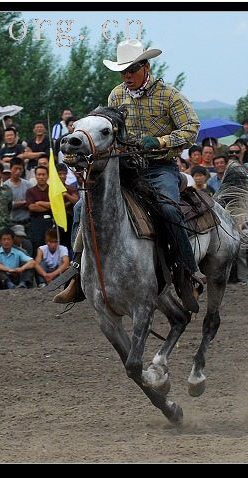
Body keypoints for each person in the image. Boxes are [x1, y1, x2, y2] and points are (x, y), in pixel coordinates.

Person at [56, 39, 204, 311]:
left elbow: (191, 129)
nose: (127, 76)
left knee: (169, 210)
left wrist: (158, 142)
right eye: (123, 71)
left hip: (160, 167)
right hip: (124, 167)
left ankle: (188, 273)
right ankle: (78, 275)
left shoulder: (170, 96)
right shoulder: (116, 96)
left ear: (145, 67)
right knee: (80, 207)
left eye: (132, 69)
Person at [26, 164, 56, 258]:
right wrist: (49, 205)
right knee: (37, 246)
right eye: (39, 175)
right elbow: (32, 207)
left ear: (47, 176)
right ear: (35, 176)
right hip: (36, 222)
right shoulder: (30, 191)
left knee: (51, 245)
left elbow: (56, 206)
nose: (41, 177)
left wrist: (39, 202)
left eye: (43, 174)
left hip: (50, 222)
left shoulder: (53, 190)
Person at [3, 157, 32, 228]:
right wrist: (23, 203)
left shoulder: (27, 184)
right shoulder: (5, 186)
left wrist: (17, 204)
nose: (18, 171)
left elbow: (31, 202)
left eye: (20, 169)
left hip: (27, 220)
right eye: (16, 168)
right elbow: (7, 205)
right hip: (12, 221)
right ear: (10, 169)